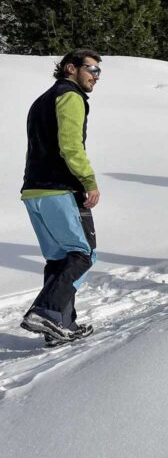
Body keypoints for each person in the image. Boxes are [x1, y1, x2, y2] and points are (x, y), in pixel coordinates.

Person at [19, 50, 101, 346]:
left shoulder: (41, 101)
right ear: (71, 68)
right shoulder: (71, 96)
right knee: (83, 253)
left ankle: (62, 326)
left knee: (58, 259)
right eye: (91, 69)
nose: (96, 76)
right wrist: (89, 181)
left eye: (99, 72)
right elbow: (70, 145)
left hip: (34, 191)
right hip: (59, 189)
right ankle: (47, 312)